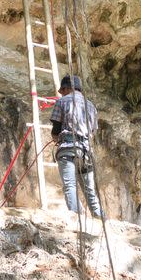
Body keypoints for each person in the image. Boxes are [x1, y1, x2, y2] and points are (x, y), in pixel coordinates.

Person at [50, 75, 103, 218]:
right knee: (90, 191)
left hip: (68, 148)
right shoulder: (91, 106)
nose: (62, 93)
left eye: (63, 90)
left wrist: (56, 138)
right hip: (86, 152)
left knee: (70, 186)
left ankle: (75, 218)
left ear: (66, 88)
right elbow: (92, 132)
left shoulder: (62, 102)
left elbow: (56, 129)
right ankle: (101, 219)